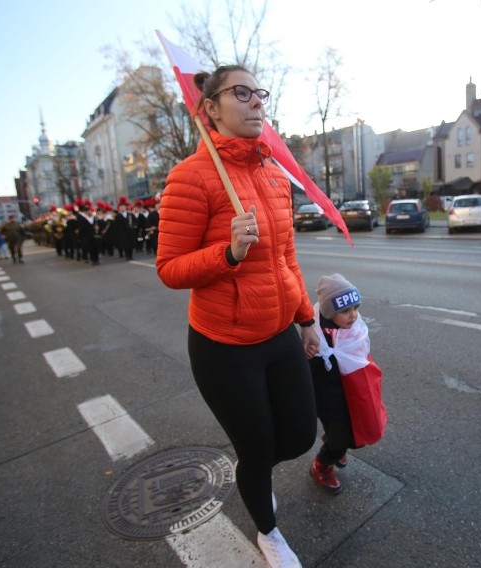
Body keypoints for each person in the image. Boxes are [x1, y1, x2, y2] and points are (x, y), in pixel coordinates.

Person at [156, 64, 318, 568]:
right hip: (224, 346)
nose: (256, 103)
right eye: (241, 93)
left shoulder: (273, 176)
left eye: (259, 93)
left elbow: (286, 259)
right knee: (257, 443)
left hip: (279, 333)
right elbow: (169, 269)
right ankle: (268, 532)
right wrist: (226, 253)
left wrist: (307, 318)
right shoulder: (191, 176)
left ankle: (254, 474)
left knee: (298, 435)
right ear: (211, 108)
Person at [308, 273, 380, 494]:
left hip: (349, 392)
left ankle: (334, 442)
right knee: (343, 438)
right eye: (345, 311)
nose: (353, 315)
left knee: (352, 428)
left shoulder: (353, 330)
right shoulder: (313, 338)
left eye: (355, 308)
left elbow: (359, 358)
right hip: (326, 398)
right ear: (330, 312)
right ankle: (322, 464)